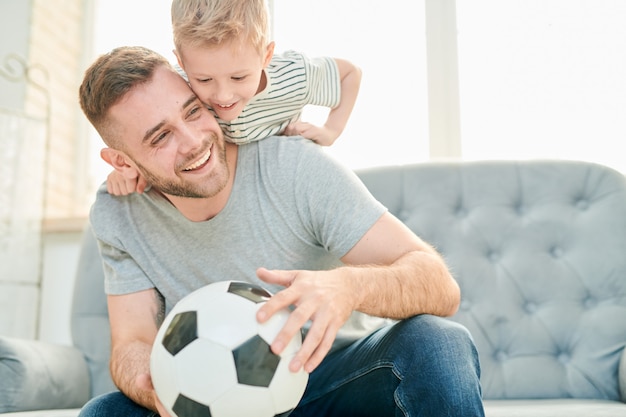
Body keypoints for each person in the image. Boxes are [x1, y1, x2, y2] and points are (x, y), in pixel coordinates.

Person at [78, 46, 485, 416]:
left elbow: (439, 286)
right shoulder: (118, 212)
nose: (193, 141)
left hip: (333, 380)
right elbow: (132, 343)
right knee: (104, 414)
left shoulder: (294, 168)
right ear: (122, 162)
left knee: (437, 342)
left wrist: (349, 288)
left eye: (193, 111)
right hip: (211, 397)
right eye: (161, 136)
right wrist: (166, 397)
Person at [106, 0, 361, 196]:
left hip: (279, 176)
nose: (223, 95)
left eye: (239, 78)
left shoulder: (293, 76)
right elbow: (152, 132)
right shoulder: (180, 86)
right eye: (204, 80)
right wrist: (130, 170)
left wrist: (331, 131)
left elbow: (350, 74)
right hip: (224, 184)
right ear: (182, 62)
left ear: (266, 56)